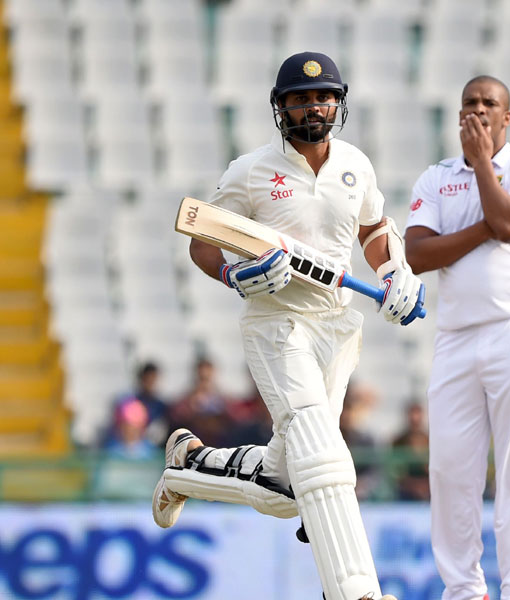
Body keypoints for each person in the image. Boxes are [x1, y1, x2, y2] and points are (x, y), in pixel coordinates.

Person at [151, 51, 423, 600]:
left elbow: (371, 228)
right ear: (281, 108)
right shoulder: (250, 171)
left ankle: (188, 466)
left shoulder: (356, 165)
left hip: (338, 326)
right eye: (299, 98)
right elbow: (204, 241)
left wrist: (394, 269)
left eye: (322, 97)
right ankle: (354, 592)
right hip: (278, 323)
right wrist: (236, 274)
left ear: (338, 104)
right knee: (323, 455)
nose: (313, 106)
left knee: (285, 485)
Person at [405, 75, 510, 600]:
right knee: (449, 470)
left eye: (489, 104)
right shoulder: (436, 177)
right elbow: (419, 256)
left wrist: (485, 166)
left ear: (506, 117)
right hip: (456, 337)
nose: (478, 110)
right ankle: (464, 590)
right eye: (469, 102)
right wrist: (483, 228)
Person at [391, 402, 430, 501]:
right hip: (405, 492)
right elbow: (397, 473)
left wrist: (424, 486)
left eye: (417, 414)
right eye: (412, 414)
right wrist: (415, 487)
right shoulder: (398, 442)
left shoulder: (429, 440)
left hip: (428, 492)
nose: (414, 418)